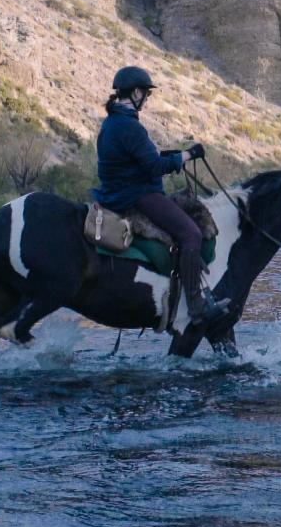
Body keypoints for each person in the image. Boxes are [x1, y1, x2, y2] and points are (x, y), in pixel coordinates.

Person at [89, 66, 230, 332]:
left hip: (120, 192)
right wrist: (187, 156)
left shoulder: (113, 122)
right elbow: (153, 167)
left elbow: (141, 158)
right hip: (136, 196)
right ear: (137, 92)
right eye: (146, 95)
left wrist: (172, 155)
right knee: (191, 234)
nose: (147, 101)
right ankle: (196, 304)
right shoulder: (128, 126)